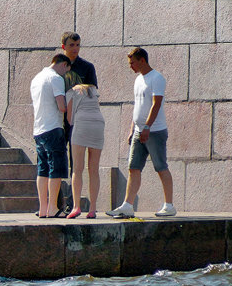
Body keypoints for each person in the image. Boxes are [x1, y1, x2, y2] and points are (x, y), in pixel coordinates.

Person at [107, 47, 176, 218]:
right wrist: (133, 129)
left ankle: (169, 205)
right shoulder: (138, 80)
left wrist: (147, 127)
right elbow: (138, 106)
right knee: (133, 167)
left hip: (155, 131)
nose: (130, 66)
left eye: (132, 63)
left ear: (142, 61)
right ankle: (127, 205)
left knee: (160, 166)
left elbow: (156, 104)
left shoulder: (157, 78)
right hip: (139, 131)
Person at [59, 32, 98, 213]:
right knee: (58, 162)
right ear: (63, 46)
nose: (75, 49)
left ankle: (73, 203)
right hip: (60, 120)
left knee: (77, 164)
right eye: (72, 45)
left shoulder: (87, 67)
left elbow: (93, 93)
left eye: (78, 45)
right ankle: (56, 202)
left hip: (79, 120)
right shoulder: (58, 67)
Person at [30, 54, 71, 218]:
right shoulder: (55, 78)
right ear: (64, 65)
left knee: (42, 169)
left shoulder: (37, 78)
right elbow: (61, 106)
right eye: (66, 70)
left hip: (38, 129)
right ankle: (53, 208)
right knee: (56, 167)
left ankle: (43, 208)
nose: (65, 73)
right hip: (53, 127)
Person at [65, 83, 105, 219]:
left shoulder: (72, 91)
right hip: (98, 124)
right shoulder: (93, 90)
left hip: (81, 123)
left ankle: (76, 207)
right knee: (94, 169)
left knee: (77, 168)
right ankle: (93, 208)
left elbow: (70, 118)